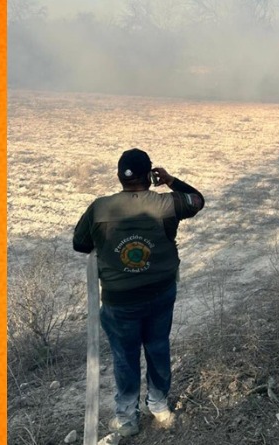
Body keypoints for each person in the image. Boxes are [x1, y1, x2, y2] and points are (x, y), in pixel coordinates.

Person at [72, 148, 204, 437]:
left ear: (119, 177)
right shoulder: (166, 204)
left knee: (124, 357)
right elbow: (197, 200)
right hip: (160, 294)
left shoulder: (99, 207)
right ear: (150, 176)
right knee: (158, 348)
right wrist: (170, 181)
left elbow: (80, 244)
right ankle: (159, 406)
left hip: (119, 302)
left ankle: (127, 418)